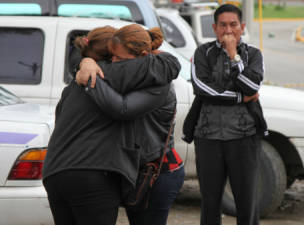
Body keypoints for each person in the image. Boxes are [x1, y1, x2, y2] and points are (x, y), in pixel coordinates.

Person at [42, 25, 181, 225]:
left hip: (55, 172)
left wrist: (86, 65)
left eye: (120, 59)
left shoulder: (76, 83)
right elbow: (169, 65)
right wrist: (87, 66)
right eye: (113, 57)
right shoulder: (118, 74)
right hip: (93, 173)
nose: (116, 63)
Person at [189, 4, 264, 225]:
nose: (228, 31)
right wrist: (239, 97)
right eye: (223, 25)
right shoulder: (203, 53)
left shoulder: (253, 54)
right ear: (214, 27)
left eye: (233, 25)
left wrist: (234, 56)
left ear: (242, 27)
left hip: (244, 136)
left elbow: (251, 85)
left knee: (246, 202)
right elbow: (204, 90)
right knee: (210, 203)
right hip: (208, 137)